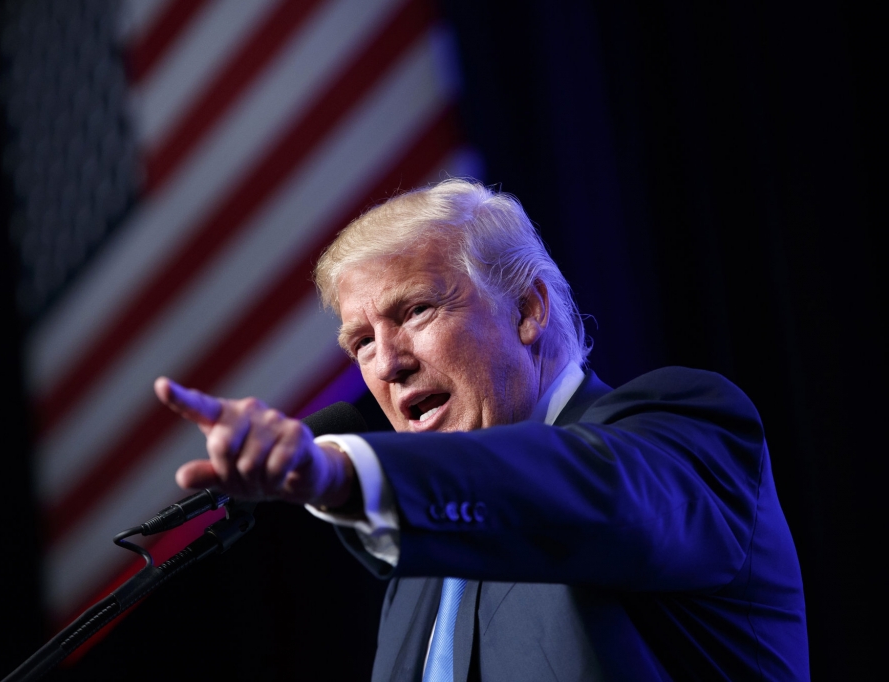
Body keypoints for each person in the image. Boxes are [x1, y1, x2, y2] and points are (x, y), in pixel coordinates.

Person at [155, 179, 809, 680]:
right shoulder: (415, 579)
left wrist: (344, 473)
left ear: (527, 309)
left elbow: (584, 489)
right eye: (360, 341)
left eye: (415, 310)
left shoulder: (688, 429)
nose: (387, 363)